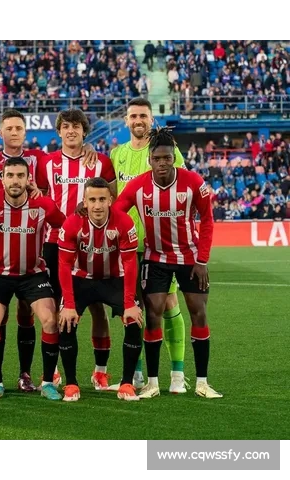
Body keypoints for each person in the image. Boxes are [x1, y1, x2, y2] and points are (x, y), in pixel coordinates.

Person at [113, 127, 222, 399]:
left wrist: (202, 260)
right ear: (149, 159)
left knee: (199, 313)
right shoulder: (138, 186)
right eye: (157, 158)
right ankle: (152, 383)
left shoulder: (194, 182)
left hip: (190, 259)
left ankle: (202, 383)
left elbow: (208, 221)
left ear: (174, 158)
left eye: (167, 158)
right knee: (153, 315)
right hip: (155, 258)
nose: (162, 163)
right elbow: (115, 212)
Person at [107, 97, 188, 393]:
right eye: (133, 116)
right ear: (126, 121)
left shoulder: (166, 150)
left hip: (159, 245)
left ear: (151, 120)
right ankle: (137, 375)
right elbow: (112, 196)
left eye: (143, 115)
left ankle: (177, 375)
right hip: (125, 247)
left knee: (167, 304)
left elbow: (183, 188)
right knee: (133, 308)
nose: (138, 120)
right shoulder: (116, 154)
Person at [0, 157, 64, 401]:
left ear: (28, 179)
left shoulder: (43, 204)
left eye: (20, 175)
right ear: (2, 179)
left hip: (33, 274)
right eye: (10, 175)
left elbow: (64, 225)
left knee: (50, 321)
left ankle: (47, 382)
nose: (15, 180)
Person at [35, 108, 117, 390]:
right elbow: (41, 199)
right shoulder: (45, 163)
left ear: (84, 131)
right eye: (66, 126)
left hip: (93, 244)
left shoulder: (101, 163)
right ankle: (55, 370)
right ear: (59, 131)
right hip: (54, 243)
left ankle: (100, 371)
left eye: (76, 126)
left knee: (97, 307)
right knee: (55, 308)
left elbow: (113, 198)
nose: (71, 131)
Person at [58, 177, 143, 402]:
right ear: (84, 202)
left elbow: (130, 263)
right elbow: (64, 264)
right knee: (66, 321)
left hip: (114, 279)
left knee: (134, 320)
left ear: (110, 200)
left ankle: (126, 384)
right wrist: (68, 304)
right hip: (81, 279)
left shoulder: (124, 222)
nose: (97, 205)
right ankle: (71, 384)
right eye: (93, 200)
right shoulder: (72, 223)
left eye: (102, 199)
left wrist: (129, 303)